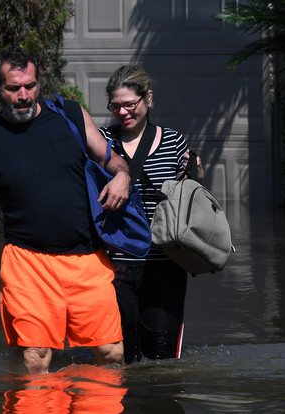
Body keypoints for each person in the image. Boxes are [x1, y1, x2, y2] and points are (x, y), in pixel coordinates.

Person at [0, 46, 129, 374]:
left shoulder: (70, 115)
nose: (24, 95)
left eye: (31, 86)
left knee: (111, 354)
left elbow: (109, 157)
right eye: (13, 88)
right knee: (36, 360)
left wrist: (122, 174)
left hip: (86, 259)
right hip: (27, 264)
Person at [99, 65, 204, 363]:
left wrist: (195, 174)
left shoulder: (173, 142)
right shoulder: (101, 141)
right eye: (115, 106)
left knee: (163, 357)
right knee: (121, 355)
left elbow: (188, 196)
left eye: (129, 104)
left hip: (165, 263)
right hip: (114, 266)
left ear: (148, 99)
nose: (122, 112)